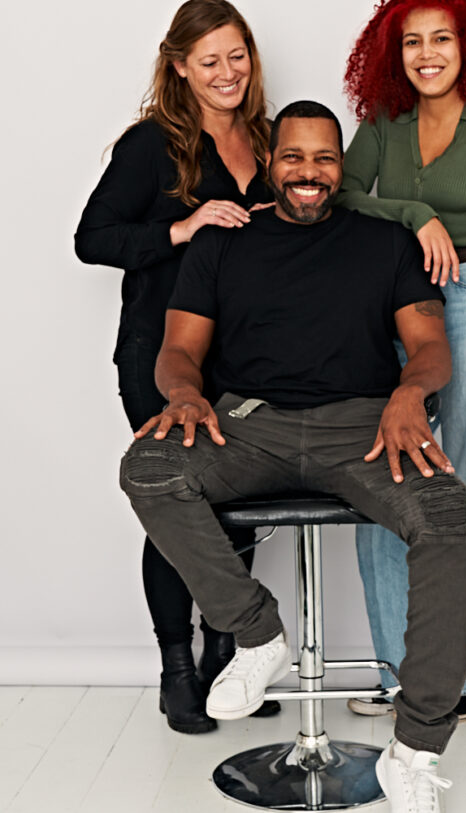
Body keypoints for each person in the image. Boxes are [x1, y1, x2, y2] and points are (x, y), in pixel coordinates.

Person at [119, 100, 466, 812]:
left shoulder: (384, 242)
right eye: (293, 157)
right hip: (248, 425)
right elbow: (179, 349)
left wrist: (410, 392)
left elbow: (431, 346)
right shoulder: (223, 243)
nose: (307, 172)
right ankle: (258, 635)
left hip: (366, 428)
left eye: (323, 158)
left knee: (450, 517)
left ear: (340, 167)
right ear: (270, 162)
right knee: (149, 467)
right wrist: (185, 395)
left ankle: (414, 749)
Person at [74, 0, 279, 734]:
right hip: (158, 356)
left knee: (235, 504)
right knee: (178, 503)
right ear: (180, 66)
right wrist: (183, 227)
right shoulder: (150, 144)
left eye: (237, 55)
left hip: (243, 361)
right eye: (209, 59)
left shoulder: (266, 139)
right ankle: (177, 670)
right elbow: (91, 238)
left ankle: (229, 660)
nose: (227, 72)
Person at [338, 0, 466, 720]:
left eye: (442, 39)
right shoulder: (383, 122)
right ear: (392, 53)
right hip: (398, 303)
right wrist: (412, 213)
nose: (427, 54)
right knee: (383, 480)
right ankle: (399, 673)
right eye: (412, 42)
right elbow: (341, 195)